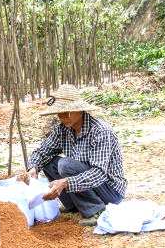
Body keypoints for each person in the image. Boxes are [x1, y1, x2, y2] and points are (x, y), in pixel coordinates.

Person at [27, 84, 127, 226]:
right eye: (59, 113)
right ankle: (74, 205)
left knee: (65, 165)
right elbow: (42, 152)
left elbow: (99, 173)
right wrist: (33, 168)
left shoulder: (100, 131)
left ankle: (95, 209)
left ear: (79, 110)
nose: (62, 117)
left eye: (66, 112)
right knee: (47, 162)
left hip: (110, 191)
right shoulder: (62, 130)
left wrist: (66, 182)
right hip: (86, 185)